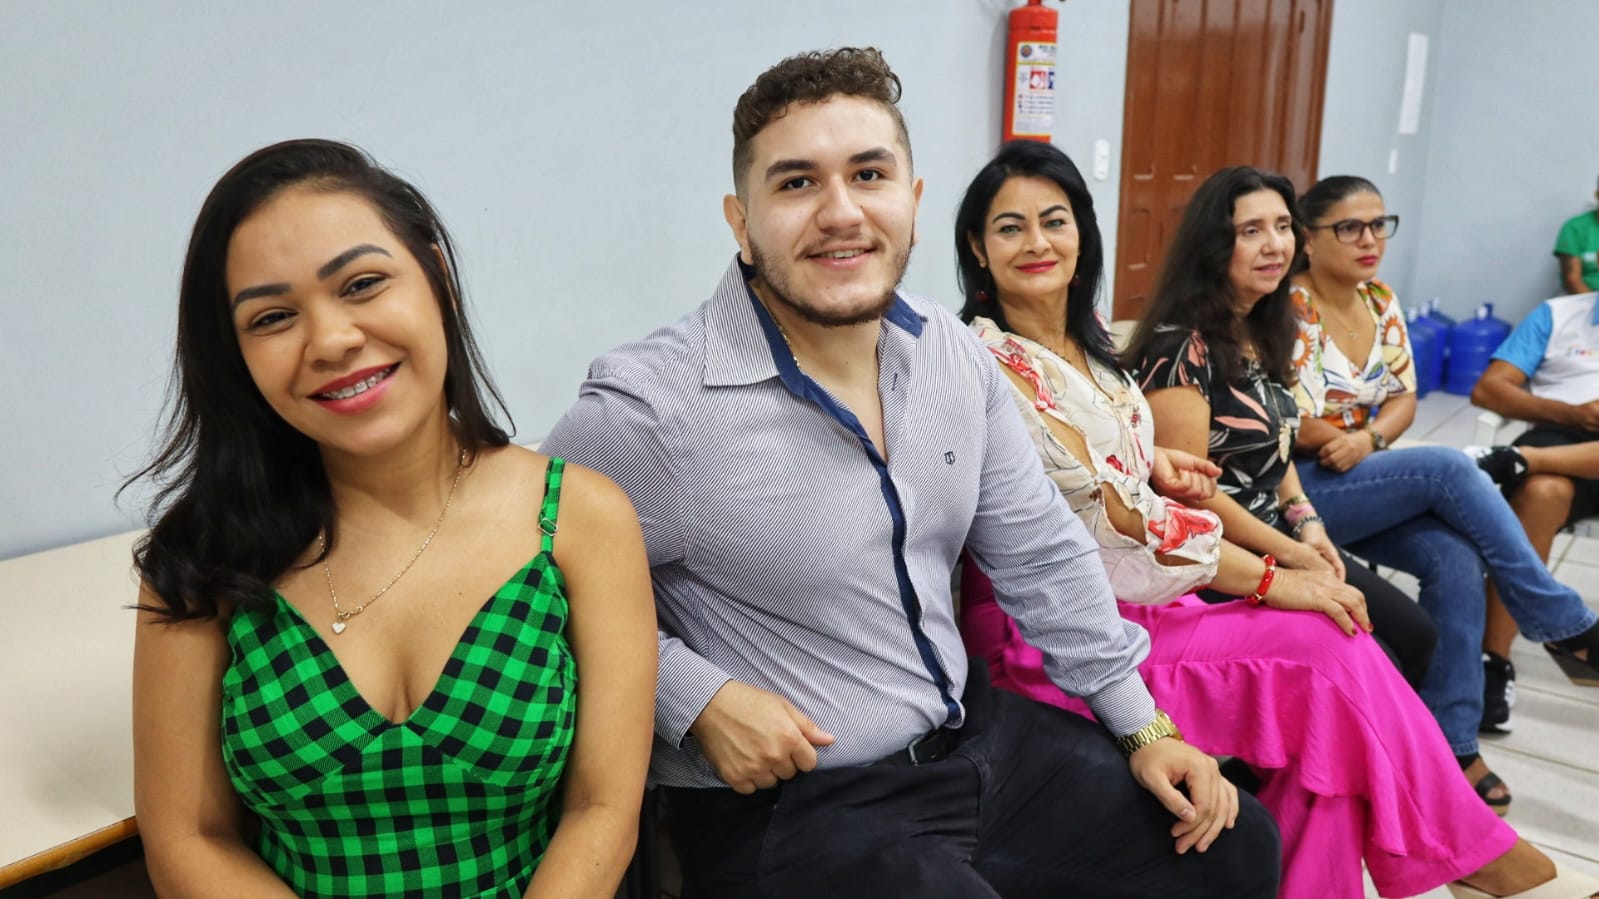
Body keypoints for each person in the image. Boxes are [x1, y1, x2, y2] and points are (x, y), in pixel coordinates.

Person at [540, 48, 1281, 898]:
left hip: (971, 742)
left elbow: (1039, 552)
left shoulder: (951, 356)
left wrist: (1142, 726)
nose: (841, 212)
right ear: (740, 222)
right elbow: (515, 585)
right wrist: (694, 699)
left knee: (1231, 844)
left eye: (868, 174)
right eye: (795, 183)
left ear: (914, 203)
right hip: (799, 803)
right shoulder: (653, 407)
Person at [954, 139, 1596, 899]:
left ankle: (1443, 855)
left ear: (1082, 232)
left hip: (1148, 592)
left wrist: (1163, 465)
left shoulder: (1091, 344)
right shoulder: (990, 359)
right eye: (1010, 227)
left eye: (1054, 220)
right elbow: (1116, 524)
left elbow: (1127, 470)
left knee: (1324, 750)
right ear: (978, 248)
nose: (1037, 242)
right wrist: (1273, 573)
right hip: (1058, 630)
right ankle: (1475, 855)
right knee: (1328, 647)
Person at [128, 140, 657, 898]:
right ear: (235, 353)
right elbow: (188, 838)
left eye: (362, 283)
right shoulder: (200, 556)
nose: (332, 341)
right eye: (273, 316)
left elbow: (601, 809)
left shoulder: (581, 518)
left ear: (438, 279)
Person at [1289, 174, 1599, 805]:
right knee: (1448, 469)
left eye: (1379, 224)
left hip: (1361, 470)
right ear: (1308, 238)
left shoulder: (1379, 299)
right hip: (1300, 487)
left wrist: (1371, 440)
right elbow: (1281, 415)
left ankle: (1453, 745)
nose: (1370, 239)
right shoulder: (1287, 307)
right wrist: (1352, 442)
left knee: (1454, 557)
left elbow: (1405, 398)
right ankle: (1560, 620)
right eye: (1350, 228)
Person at [1121, 167, 1435, 698]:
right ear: (1213, 246)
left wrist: (1308, 523)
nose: (1275, 245)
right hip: (1221, 557)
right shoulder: (1180, 348)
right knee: (1376, 659)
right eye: (1251, 231)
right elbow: (1190, 497)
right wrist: (1291, 555)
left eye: (1283, 226)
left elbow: (1278, 443)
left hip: (1276, 532)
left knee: (1416, 635)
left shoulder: (1262, 326)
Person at [1472, 286, 1599, 696]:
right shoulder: (1557, 315)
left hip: (1548, 454)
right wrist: (1572, 414)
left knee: (1535, 471)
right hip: (1562, 432)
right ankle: (1493, 662)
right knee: (1540, 494)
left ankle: (1522, 459)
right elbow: (1489, 389)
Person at [1554, 177, 1599, 294]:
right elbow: (1572, 279)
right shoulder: (1574, 228)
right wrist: (1594, 304)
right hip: (1584, 298)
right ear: (1597, 195)